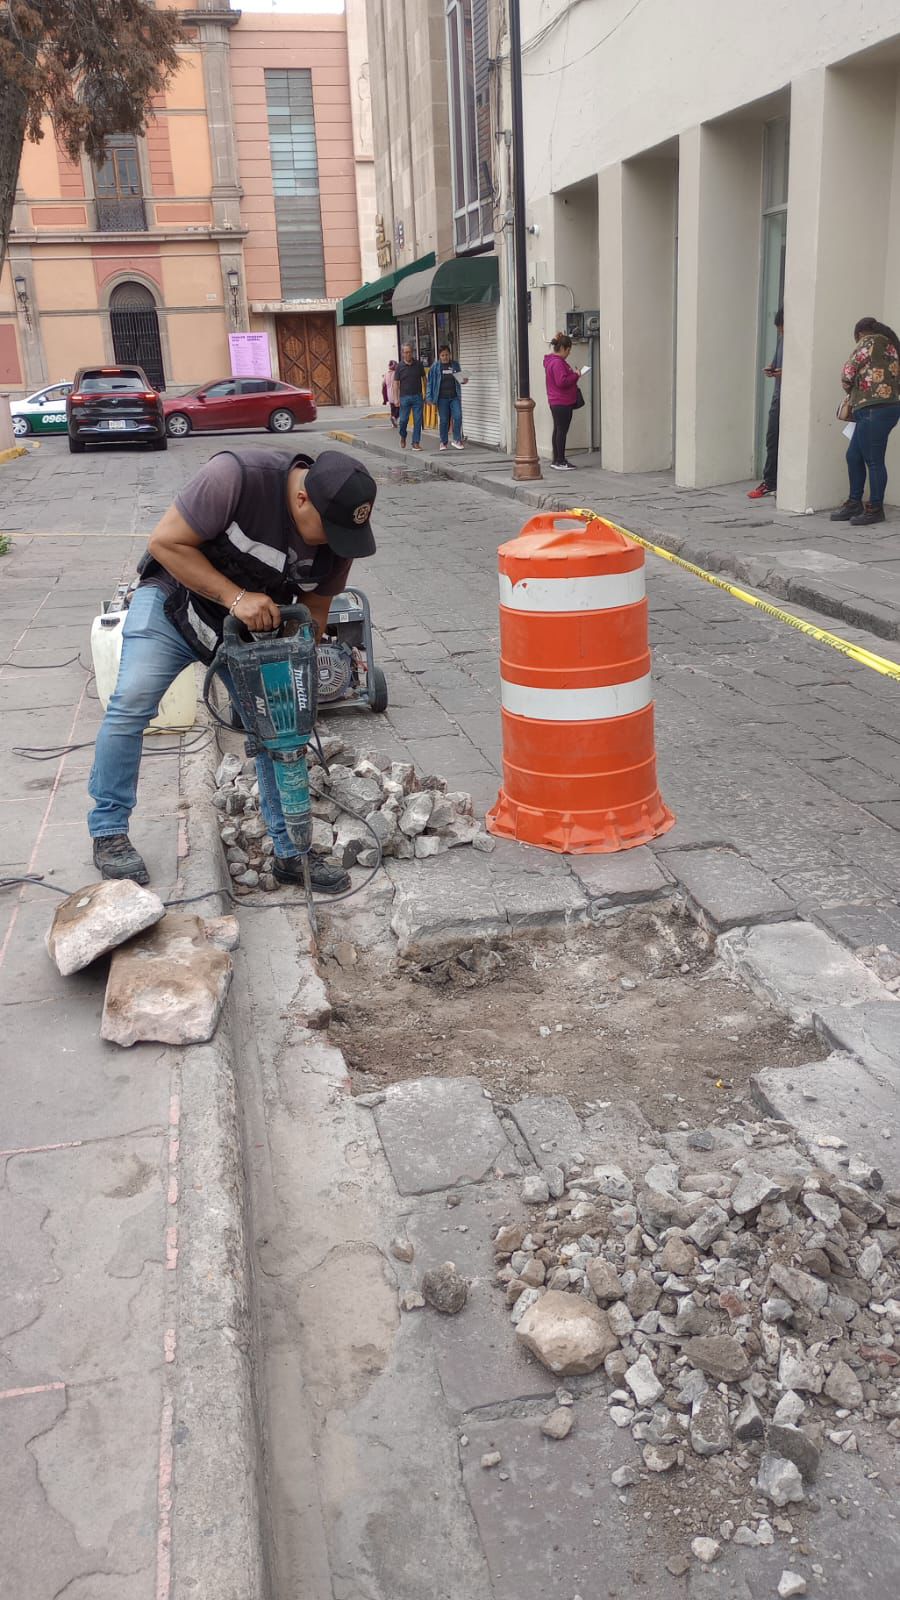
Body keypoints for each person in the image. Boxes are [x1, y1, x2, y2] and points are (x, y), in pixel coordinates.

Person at [88, 447, 377, 894]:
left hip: (248, 639)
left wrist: (296, 665)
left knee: (276, 731)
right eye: (330, 530)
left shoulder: (338, 538)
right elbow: (165, 543)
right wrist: (236, 598)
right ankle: (108, 832)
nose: (336, 544)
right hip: (174, 606)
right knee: (130, 706)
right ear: (303, 499)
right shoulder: (235, 477)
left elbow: (316, 609)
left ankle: (290, 852)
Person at [831, 316, 900, 526]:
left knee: (873, 460)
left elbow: (847, 372)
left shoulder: (869, 341)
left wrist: (850, 390)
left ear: (860, 333)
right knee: (854, 455)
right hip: (886, 408)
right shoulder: (892, 346)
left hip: (872, 408)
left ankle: (875, 509)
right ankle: (854, 502)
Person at [748, 306, 783, 499]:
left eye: (782, 328)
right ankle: (770, 481)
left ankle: (779, 481)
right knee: (772, 439)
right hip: (778, 395)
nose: (781, 332)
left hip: (791, 397)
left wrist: (783, 373)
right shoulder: (781, 341)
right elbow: (776, 363)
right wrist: (771, 369)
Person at [543, 333, 583, 470]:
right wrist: (576, 375)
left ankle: (557, 459)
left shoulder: (551, 362)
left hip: (556, 401)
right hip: (562, 401)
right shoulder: (558, 363)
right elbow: (562, 382)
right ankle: (560, 460)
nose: (569, 353)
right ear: (564, 348)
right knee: (561, 431)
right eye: (569, 350)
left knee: (558, 430)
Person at [426, 345, 468, 450]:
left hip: (454, 397)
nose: (445, 357)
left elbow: (460, 379)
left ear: (450, 354)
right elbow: (430, 383)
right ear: (439, 356)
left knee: (458, 417)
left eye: (447, 355)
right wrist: (429, 397)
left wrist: (464, 380)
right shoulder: (435, 367)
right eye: (443, 355)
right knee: (444, 420)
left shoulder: (455, 365)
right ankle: (443, 442)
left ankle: (457, 440)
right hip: (441, 398)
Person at [394, 342, 426, 450]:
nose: (408, 354)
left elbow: (424, 379)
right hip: (404, 398)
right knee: (403, 420)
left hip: (417, 396)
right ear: (402, 353)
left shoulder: (418, 365)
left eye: (410, 352)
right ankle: (403, 436)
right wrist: (396, 398)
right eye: (406, 352)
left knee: (418, 420)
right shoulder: (399, 367)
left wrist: (426, 394)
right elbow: (396, 383)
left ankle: (415, 442)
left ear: (412, 352)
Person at [383, 359, 399, 427]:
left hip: (389, 394)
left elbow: (383, 384)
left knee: (392, 408)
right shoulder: (396, 373)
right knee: (399, 408)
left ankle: (393, 423)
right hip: (396, 393)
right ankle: (394, 417)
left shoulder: (386, 374)